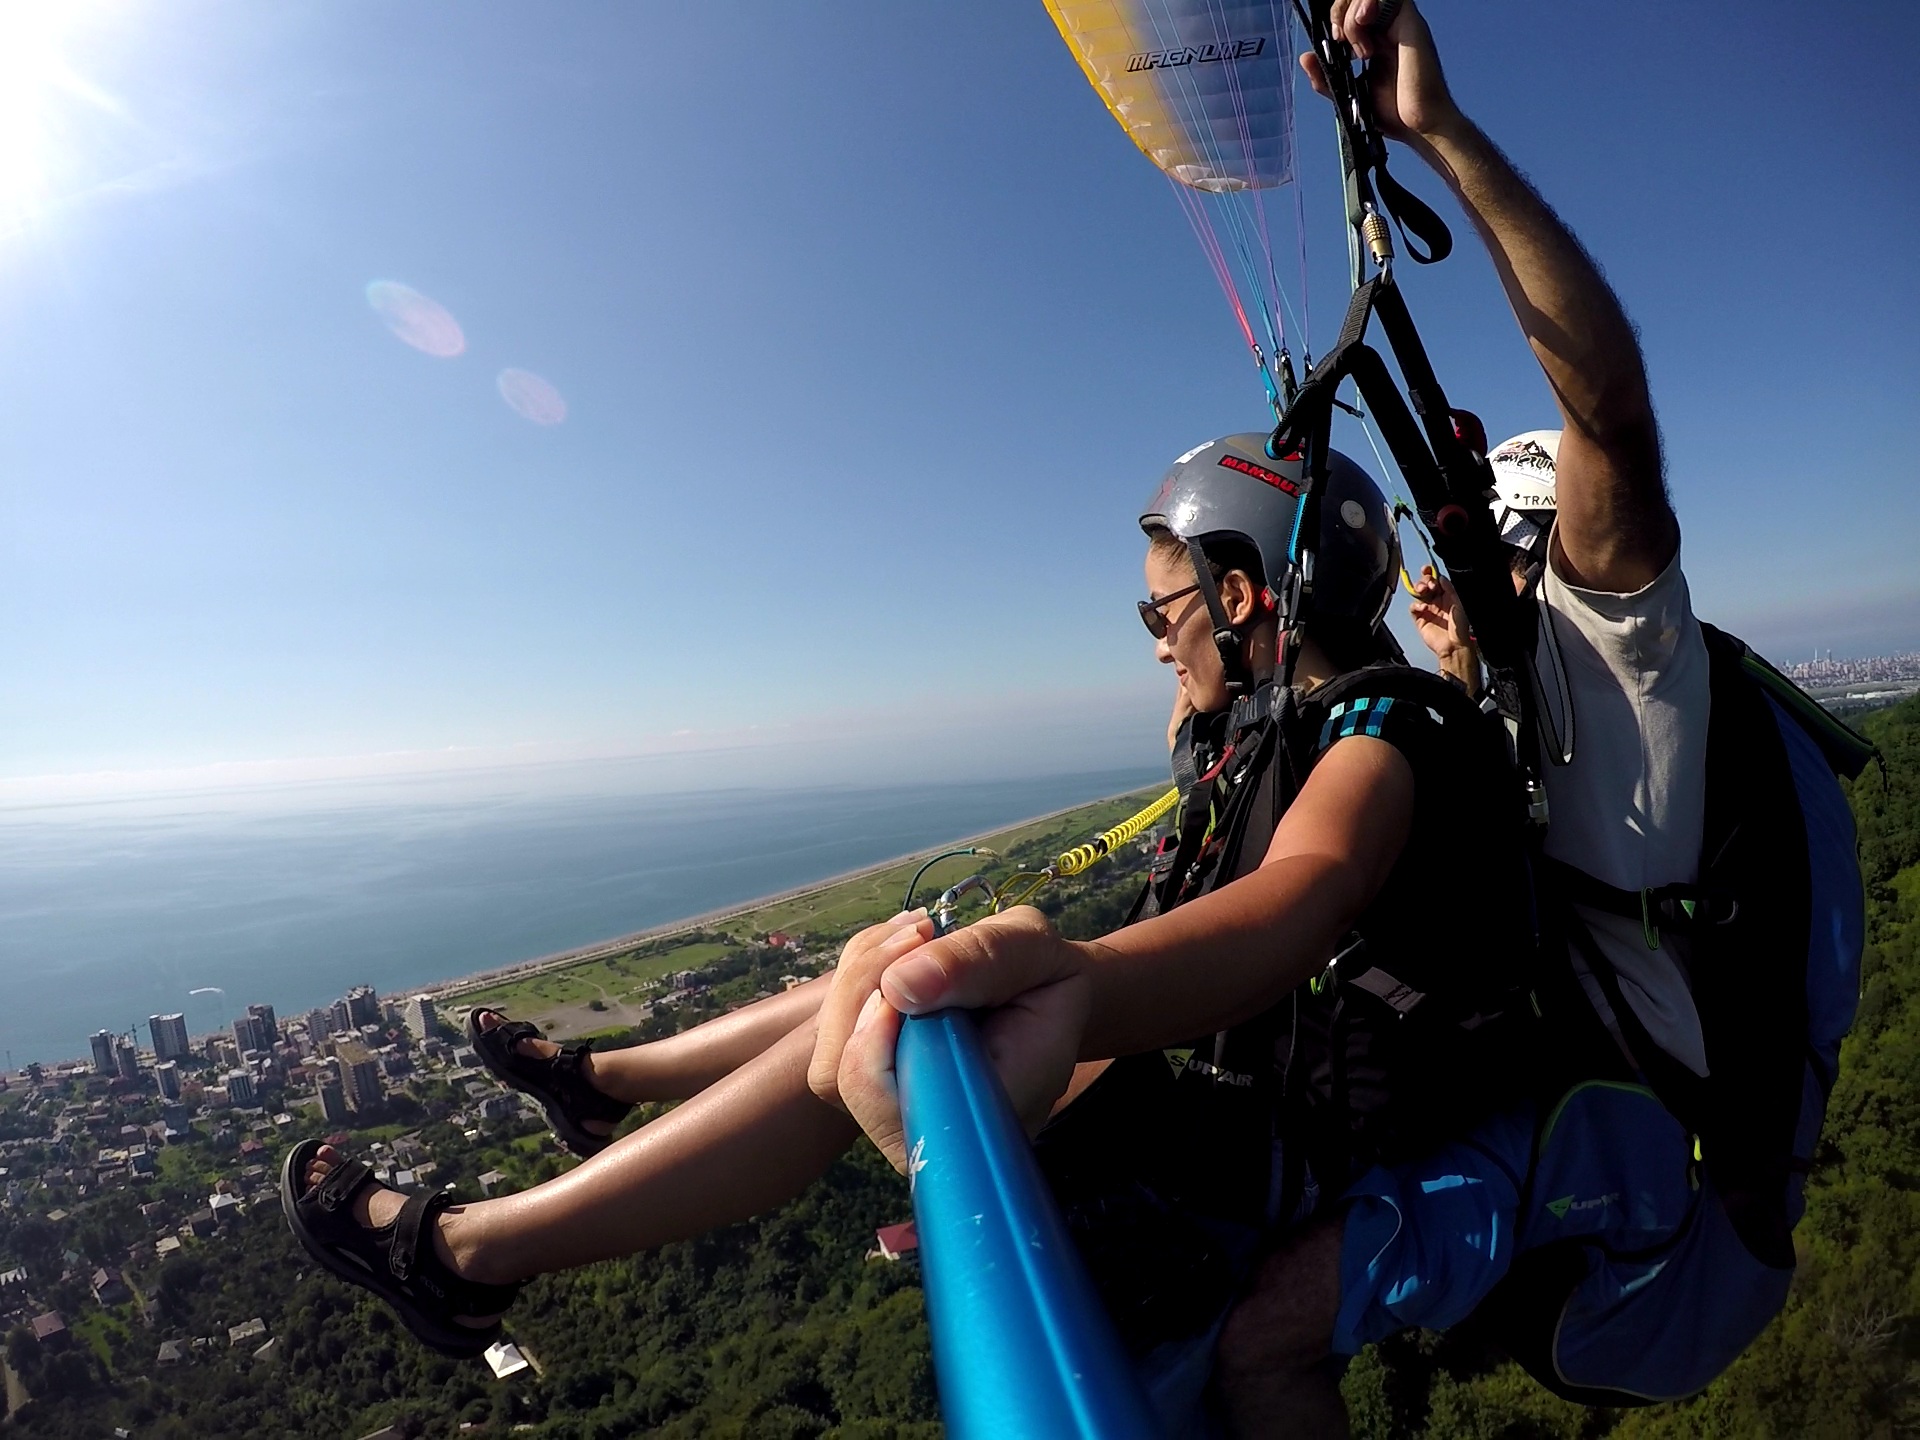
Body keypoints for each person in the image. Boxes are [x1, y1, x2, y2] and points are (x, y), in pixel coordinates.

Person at [816, 0, 1763, 1432]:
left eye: (1500, 560)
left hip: (1638, 1131)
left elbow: (1611, 426)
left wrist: (1436, 135)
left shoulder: (1626, 661)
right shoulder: (1486, 689)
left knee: (1265, 1332)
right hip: (1528, 1073)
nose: (1463, 589)